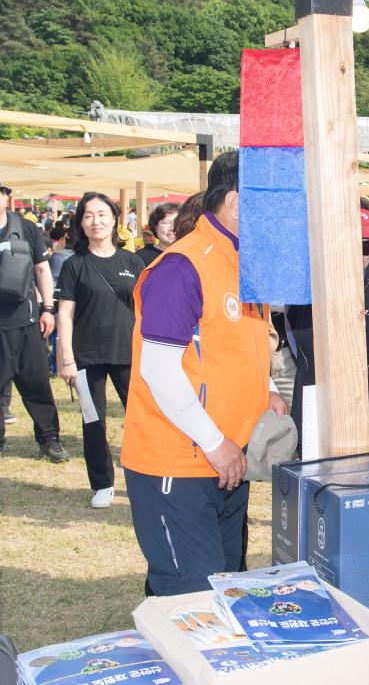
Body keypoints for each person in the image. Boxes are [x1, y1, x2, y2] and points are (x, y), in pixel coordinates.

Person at [121, 152, 287, 595]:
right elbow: (159, 370)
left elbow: (237, 340)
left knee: (225, 590)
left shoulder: (242, 263)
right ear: (235, 204)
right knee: (192, 599)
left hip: (229, 461)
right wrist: (215, 444)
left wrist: (266, 388)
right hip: (183, 461)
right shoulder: (182, 267)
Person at [288, 209, 369, 464]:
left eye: (366, 245)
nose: (356, 254)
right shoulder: (305, 288)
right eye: (348, 244)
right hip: (318, 414)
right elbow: (300, 345)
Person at [56, 193, 146, 509]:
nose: (97, 221)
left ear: (114, 219)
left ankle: (143, 478)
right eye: (89, 215)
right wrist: (65, 359)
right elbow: (64, 315)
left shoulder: (132, 262)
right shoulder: (73, 265)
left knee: (139, 419)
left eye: (103, 214)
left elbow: (145, 309)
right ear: (81, 222)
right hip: (86, 355)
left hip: (128, 352)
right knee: (92, 422)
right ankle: (102, 484)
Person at [0, 185, 67, 461]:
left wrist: (48, 309)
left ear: (6, 197)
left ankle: (49, 439)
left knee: (37, 384)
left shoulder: (27, 229)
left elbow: (42, 269)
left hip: (27, 320)